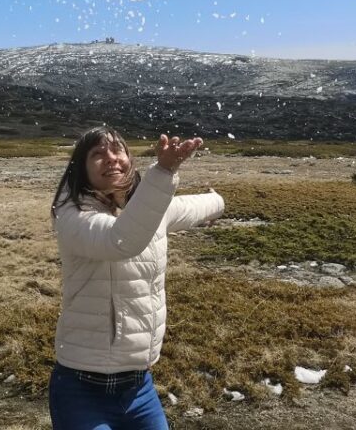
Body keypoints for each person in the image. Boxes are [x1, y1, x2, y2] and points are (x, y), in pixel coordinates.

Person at [49, 126, 225, 430]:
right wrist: (163, 171)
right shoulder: (71, 215)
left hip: (139, 388)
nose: (111, 158)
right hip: (80, 390)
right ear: (81, 168)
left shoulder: (149, 209)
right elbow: (119, 240)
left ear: (129, 159)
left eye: (117, 149)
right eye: (97, 154)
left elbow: (188, 207)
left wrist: (216, 203)